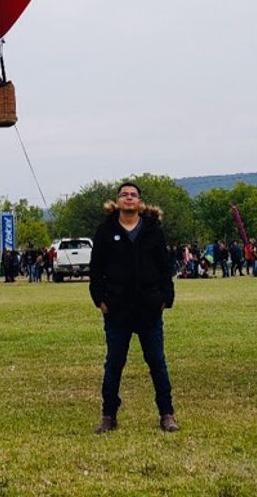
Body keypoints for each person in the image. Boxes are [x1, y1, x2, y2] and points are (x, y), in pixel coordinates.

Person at [89, 182, 178, 434]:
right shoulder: (105, 231)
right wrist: (100, 300)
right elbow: (96, 269)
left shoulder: (153, 230)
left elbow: (165, 266)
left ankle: (167, 413)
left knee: (157, 362)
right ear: (117, 201)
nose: (128, 198)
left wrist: (165, 298)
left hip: (148, 307)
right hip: (117, 308)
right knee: (114, 363)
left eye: (133, 195)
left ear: (140, 202)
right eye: (124, 195)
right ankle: (108, 415)